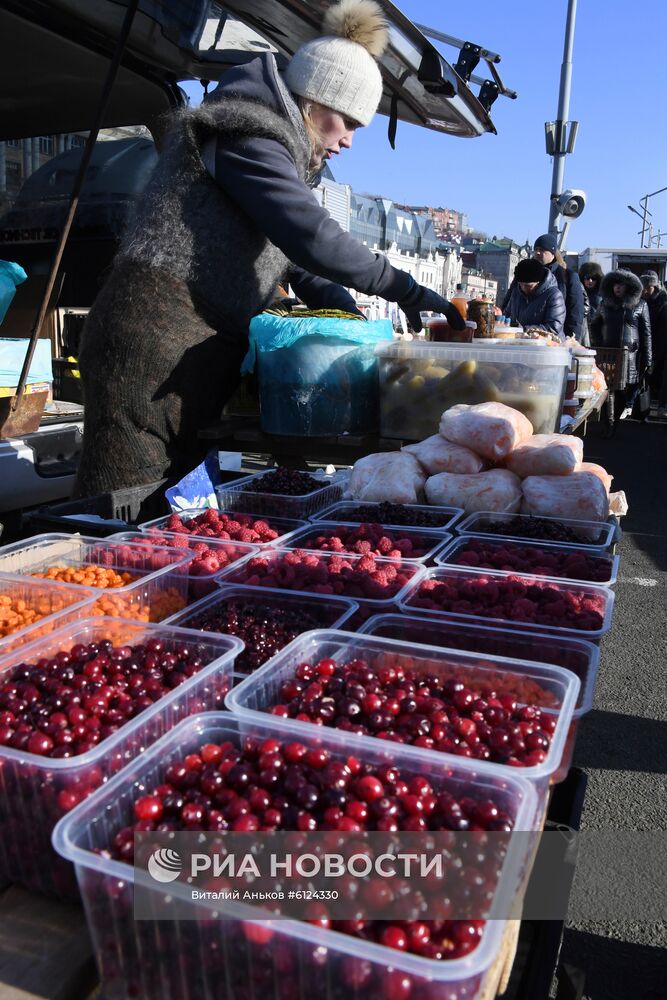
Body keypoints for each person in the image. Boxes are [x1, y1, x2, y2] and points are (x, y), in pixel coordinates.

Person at [74, 0, 465, 494]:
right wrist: (403, 289)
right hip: (149, 340)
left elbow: (295, 258)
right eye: (348, 122)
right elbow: (308, 234)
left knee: (175, 503)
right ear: (315, 101)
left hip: (188, 348)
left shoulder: (273, 150)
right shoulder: (244, 132)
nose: (347, 142)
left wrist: (351, 322)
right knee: (124, 505)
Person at [589, 269, 652, 434]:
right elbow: (594, 324)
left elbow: (646, 333)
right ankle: (608, 424)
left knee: (623, 393)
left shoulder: (641, 304)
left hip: (630, 356)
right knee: (607, 389)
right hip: (608, 354)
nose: (618, 288)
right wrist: (599, 343)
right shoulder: (605, 304)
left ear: (629, 287)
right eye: (615, 284)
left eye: (622, 284)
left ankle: (614, 421)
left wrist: (648, 359)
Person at [532, 233, 586, 342]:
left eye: (542, 250)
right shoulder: (526, 274)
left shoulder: (568, 276)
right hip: (529, 336)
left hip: (557, 339)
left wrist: (571, 339)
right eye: (536, 249)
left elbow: (575, 311)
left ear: (552, 253)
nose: (537, 252)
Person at [501, 258, 566, 338]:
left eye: (528, 286)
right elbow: (507, 316)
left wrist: (523, 330)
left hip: (548, 345)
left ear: (539, 282)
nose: (524, 288)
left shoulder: (554, 295)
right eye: (521, 284)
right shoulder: (516, 293)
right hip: (521, 342)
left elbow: (553, 327)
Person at [640, 270, 667, 418]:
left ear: (654, 287)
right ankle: (645, 409)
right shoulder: (643, 301)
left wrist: (654, 353)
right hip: (650, 344)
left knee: (663, 378)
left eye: (648, 287)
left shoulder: (663, 302)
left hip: (660, 345)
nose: (645, 290)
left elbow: (663, 331)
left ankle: (662, 406)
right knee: (648, 378)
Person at [578, 261, 603, 345]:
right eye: (587, 277)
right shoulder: (578, 291)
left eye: (593, 278)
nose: (590, 281)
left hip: (597, 330)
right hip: (582, 328)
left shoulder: (602, 294)